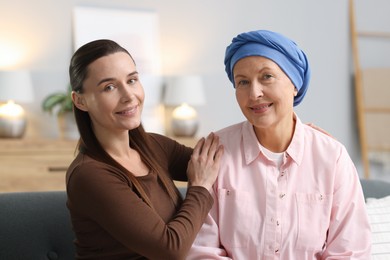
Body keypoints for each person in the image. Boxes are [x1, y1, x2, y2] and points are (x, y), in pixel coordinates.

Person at [188, 30, 371, 259]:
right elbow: (201, 251)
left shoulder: (332, 158)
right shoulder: (216, 154)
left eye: (267, 77)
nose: (254, 93)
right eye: (242, 82)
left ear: (295, 84)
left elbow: (350, 251)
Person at [65, 39, 224, 260]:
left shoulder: (154, 146)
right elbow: (170, 249)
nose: (129, 95)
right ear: (80, 100)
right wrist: (200, 187)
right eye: (109, 87)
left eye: (132, 80)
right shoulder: (90, 175)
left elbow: (219, 163)